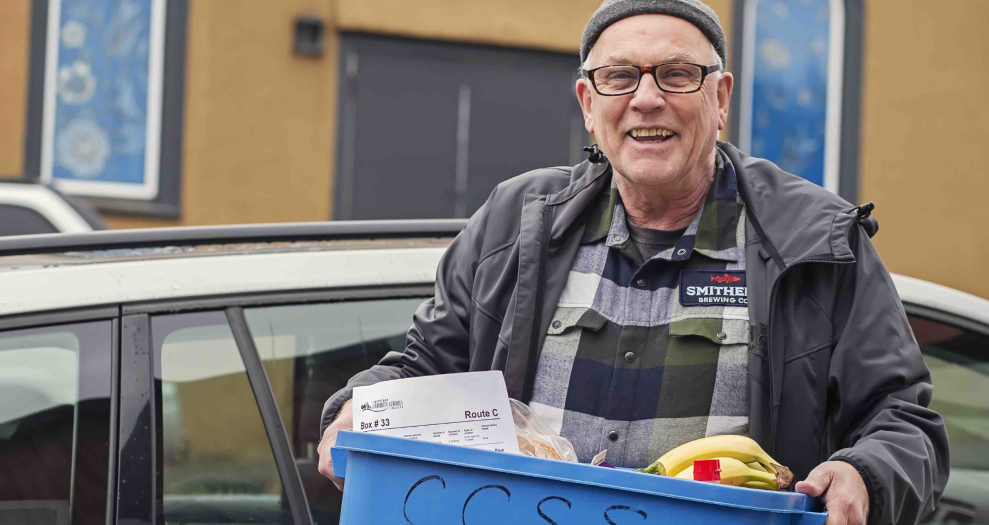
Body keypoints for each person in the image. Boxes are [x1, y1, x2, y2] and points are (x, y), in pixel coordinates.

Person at [316, 1, 948, 523]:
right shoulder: (514, 224)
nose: (646, 99)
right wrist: (363, 402)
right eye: (619, 77)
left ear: (721, 98)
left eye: (677, 74)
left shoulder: (814, 243)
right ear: (589, 104)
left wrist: (865, 473)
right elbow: (426, 364)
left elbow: (904, 420)